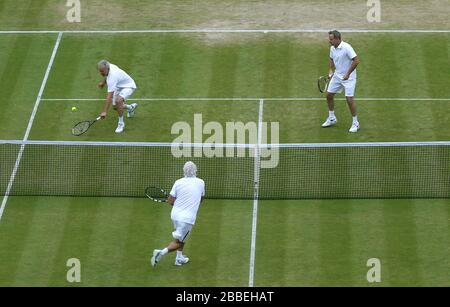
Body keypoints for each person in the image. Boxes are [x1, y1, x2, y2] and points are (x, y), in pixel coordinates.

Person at [151, 161, 205, 267]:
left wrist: (180, 203)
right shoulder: (201, 182)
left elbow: (171, 201)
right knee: (179, 242)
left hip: (175, 215)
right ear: (195, 171)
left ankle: (179, 258)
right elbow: (201, 198)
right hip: (187, 218)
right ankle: (160, 253)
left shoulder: (178, 182)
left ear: (184, 171)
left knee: (181, 237)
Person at [322, 30, 360, 133]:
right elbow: (331, 59)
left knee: (349, 99)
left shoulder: (347, 47)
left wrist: (347, 74)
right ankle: (332, 118)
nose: (329, 41)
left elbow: (356, 60)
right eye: (329, 39)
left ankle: (355, 123)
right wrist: (330, 70)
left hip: (349, 78)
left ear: (338, 39)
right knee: (329, 95)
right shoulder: (332, 48)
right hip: (337, 76)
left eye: (331, 39)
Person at [97, 60, 138, 133]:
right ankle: (130, 107)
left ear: (107, 69)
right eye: (100, 71)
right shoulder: (109, 66)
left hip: (128, 86)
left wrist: (104, 111)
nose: (101, 73)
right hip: (118, 85)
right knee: (116, 107)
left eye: (102, 71)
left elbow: (109, 96)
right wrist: (103, 82)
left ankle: (121, 124)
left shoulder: (112, 77)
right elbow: (107, 75)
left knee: (118, 101)